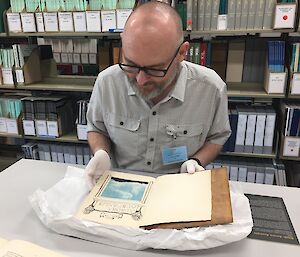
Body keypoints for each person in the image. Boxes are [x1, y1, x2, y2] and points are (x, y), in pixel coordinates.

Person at [85, 1, 231, 189]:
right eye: (131, 64)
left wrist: (196, 161)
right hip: (120, 187)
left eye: (154, 69)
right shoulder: (107, 82)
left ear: (182, 53)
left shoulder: (211, 89)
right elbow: (97, 128)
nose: (140, 80)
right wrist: (101, 153)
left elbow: (217, 137)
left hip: (176, 187)